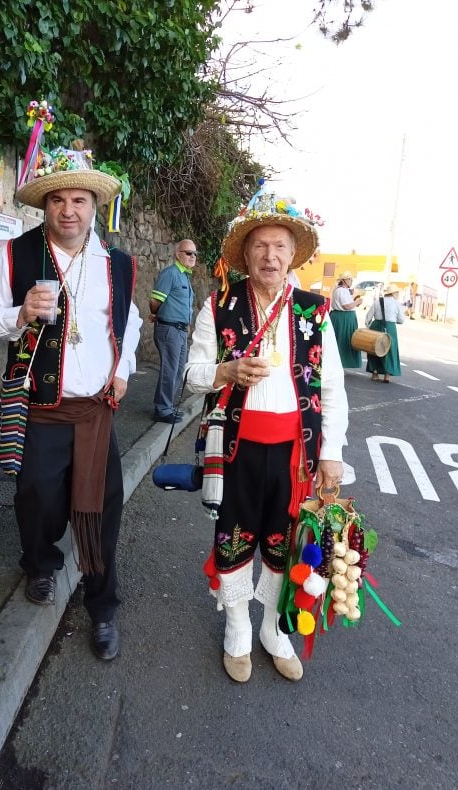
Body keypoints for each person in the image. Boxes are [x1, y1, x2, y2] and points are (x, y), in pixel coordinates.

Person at [0, 147, 142, 661]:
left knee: (100, 510)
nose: (68, 210)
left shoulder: (117, 265)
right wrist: (20, 313)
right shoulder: (18, 254)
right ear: (44, 206)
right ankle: (41, 563)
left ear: (94, 206)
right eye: (58, 200)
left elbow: (130, 323)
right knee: (37, 498)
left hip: (95, 411)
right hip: (41, 410)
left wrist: (122, 370)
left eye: (79, 199)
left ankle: (103, 604)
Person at [185, 188, 348, 684]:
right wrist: (227, 370)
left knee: (282, 544)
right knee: (234, 540)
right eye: (260, 246)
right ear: (247, 253)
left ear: (293, 253)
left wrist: (332, 453)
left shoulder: (314, 312)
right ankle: (237, 628)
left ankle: (274, 630)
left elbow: (333, 387)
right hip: (236, 450)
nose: (270, 255)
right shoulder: (219, 305)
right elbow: (192, 373)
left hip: (296, 455)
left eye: (280, 246)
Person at [149, 240, 196, 422]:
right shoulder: (171, 274)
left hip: (180, 331)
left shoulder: (184, 276)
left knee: (177, 370)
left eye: (194, 254)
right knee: (170, 370)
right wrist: (154, 313)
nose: (193, 257)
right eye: (188, 253)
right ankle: (162, 409)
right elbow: (155, 300)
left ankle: (165, 406)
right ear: (178, 254)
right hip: (169, 329)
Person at [365, 282, 404, 383]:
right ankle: (387, 375)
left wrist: (369, 327)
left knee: (375, 349)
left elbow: (368, 317)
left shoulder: (378, 301)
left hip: (376, 326)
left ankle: (375, 373)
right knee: (389, 350)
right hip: (390, 327)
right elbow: (401, 320)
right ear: (394, 293)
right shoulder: (396, 304)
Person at [330, 271, 363, 368]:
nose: (351, 281)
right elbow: (347, 306)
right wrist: (357, 302)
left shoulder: (341, 290)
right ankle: (339, 364)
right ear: (344, 280)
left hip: (343, 318)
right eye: (349, 279)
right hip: (343, 318)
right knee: (343, 341)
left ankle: (339, 364)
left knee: (341, 340)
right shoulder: (341, 290)